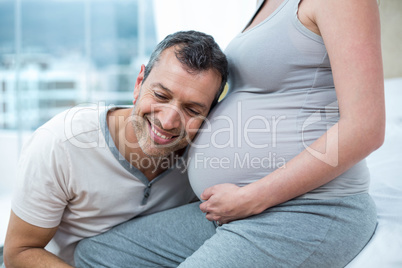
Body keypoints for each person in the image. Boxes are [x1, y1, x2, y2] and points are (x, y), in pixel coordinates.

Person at [74, 0, 385, 267]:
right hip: (237, 209)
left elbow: (366, 128)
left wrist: (253, 197)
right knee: (98, 256)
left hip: (310, 209)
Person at [2, 30, 228, 268]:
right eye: (161, 95)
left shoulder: (203, 158)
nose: (169, 121)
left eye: (192, 110)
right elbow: (19, 252)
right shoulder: (61, 144)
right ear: (139, 83)